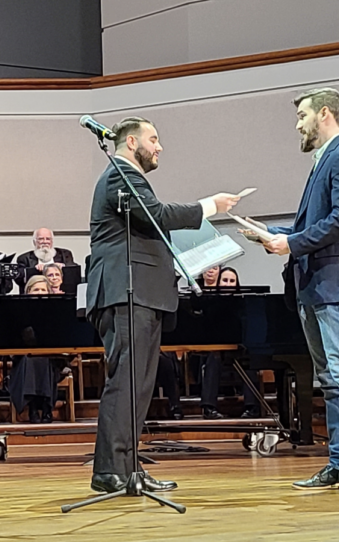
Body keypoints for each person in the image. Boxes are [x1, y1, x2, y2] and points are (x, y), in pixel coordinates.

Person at [85, 115, 240, 494]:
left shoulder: (127, 178)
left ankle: (127, 468)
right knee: (127, 383)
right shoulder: (121, 173)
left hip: (140, 294)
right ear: (132, 142)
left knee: (137, 386)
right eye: (153, 139)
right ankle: (112, 471)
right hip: (127, 292)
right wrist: (209, 206)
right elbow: (156, 214)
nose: (159, 146)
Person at [251, 87, 339, 494]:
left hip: (338, 284)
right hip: (316, 286)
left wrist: (290, 244)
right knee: (330, 379)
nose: (297, 125)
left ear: (324, 114)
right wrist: (273, 234)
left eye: (301, 117)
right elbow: (317, 223)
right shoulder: (324, 161)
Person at [198, 267, 263, 419]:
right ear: (219, 283)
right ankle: (209, 408)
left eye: (232, 281)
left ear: (237, 284)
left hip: (239, 349)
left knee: (250, 360)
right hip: (215, 351)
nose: (228, 284)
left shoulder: (243, 303)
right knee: (214, 359)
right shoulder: (210, 303)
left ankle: (252, 408)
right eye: (225, 280)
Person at [8, 276, 64, 423]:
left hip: (51, 359)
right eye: (36, 289)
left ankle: (46, 408)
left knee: (43, 359)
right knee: (30, 360)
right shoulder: (19, 312)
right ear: (28, 292)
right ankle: (33, 408)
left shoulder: (56, 312)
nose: (39, 292)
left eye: (43, 289)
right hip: (24, 359)